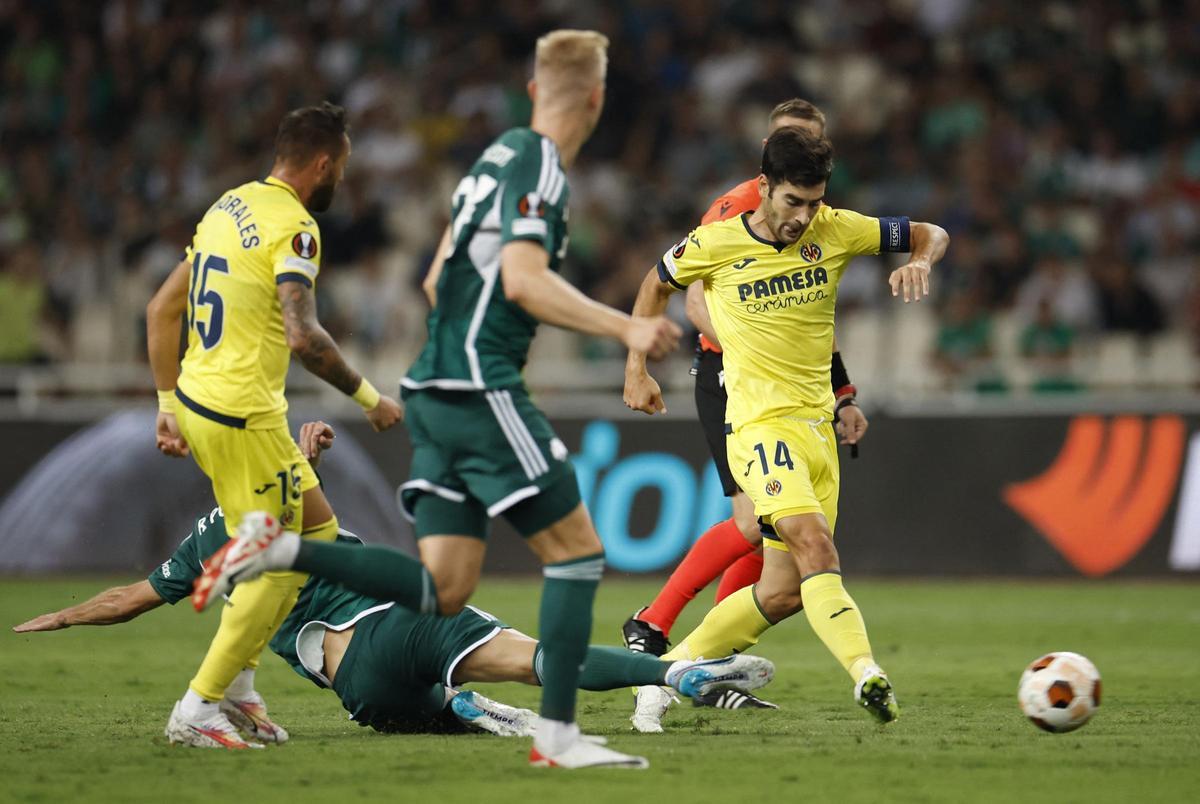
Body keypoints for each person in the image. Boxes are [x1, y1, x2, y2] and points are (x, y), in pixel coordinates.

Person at [201, 30, 679, 770]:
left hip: (431, 381)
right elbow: (521, 279)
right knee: (578, 552)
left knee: (443, 587)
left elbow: (434, 279)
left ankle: (282, 548)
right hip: (478, 383)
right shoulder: (543, 167)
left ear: (530, 92)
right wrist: (630, 328)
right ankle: (557, 740)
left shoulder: (489, 160)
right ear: (596, 98)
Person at [13, 422, 772, 742]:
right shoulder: (290, 496)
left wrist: (65, 617)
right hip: (403, 618)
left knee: (416, 713)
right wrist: (307, 449)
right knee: (547, 660)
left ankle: (460, 710)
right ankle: (675, 672)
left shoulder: (207, 539)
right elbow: (309, 504)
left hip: (359, 681)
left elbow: (131, 600)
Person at [623, 126, 949, 732]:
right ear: (765, 188)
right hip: (755, 426)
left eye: (814, 202)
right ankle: (866, 674)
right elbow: (655, 283)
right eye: (792, 202)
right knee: (813, 545)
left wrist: (919, 260)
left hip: (817, 430)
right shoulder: (716, 240)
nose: (804, 217)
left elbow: (932, 232)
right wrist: (637, 365)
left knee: (783, 592)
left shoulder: (839, 229)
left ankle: (664, 673)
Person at [145, 101, 403, 749]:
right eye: (341, 165)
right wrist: (371, 397)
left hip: (202, 403)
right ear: (323, 163)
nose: (341, 177)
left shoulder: (225, 208)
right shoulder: (296, 228)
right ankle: (197, 707)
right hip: (243, 416)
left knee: (315, 531)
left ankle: (238, 688)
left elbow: (160, 308)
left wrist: (167, 404)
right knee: (285, 560)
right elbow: (304, 337)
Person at [621, 102, 870, 705]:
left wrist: (841, 394)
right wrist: (746, 346)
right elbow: (693, 296)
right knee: (752, 523)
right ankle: (655, 626)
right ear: (769, 155)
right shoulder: (735, 210)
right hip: (730, 374)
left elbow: (812, 321)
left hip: (790, 391)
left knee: (765, 534)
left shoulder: (817, 220)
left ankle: (705, 662)